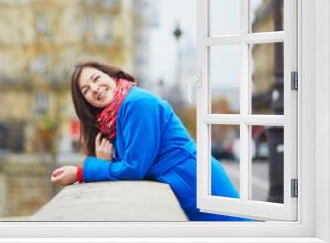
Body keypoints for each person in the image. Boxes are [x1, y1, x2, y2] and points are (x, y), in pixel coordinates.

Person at [50, 60, 251, 221]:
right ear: (85, 101)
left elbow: (134, 167)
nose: (94, 88)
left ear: (111, 76)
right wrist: (107, 163)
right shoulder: (117, 116)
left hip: (195, 181)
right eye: (85, 90)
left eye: (96, 78)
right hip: (186, 181)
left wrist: (80, 172)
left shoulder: (138, 103)